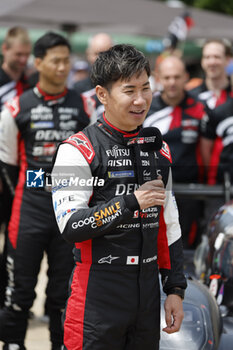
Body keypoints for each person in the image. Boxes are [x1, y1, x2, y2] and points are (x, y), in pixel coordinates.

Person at [52, 44, 187, 350]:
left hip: (147, 293)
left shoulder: (159, 148)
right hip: (97, 293)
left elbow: (170, 222)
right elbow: (70, 226)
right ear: (102, 94)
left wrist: (176, 288)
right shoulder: (77, 150)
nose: (141, 100)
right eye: (129, 90)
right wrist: (130, 202)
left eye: (146, 88)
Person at [0, 31, 89, 350]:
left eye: (68, 60)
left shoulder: (85, 104)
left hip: (71, 213)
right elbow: (6, 166)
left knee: (63, 294)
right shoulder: (14, 108)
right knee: (18, 290)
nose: (64, 67)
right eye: (57, 61)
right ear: (38, 63)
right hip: (28, 212)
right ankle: (12, 344)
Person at [144, 55, 205, 249]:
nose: (172, 82)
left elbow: (208, 152)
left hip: (189, 191)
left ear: (186, 77)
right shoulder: (144, 108)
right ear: (158, 77)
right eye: (167, 77)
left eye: (177, 77)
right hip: (153, 189)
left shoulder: (201, 109)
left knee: (184, 246)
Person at [0, 26, 31, 308]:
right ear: (5, 50)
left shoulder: (29, 85)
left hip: (17, 173)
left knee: (13, 238)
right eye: (18, 54)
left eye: (27, 54)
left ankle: (4, 297)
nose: (23, 59)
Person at [189, 39, 232, 185]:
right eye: (207, 57)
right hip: (195, 181)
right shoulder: (190, 97)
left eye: (217, 57)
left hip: (224, 179)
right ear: (202, 61)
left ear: (227, 60)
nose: (212, 62)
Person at [74, 32, 113, 122]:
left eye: (106, 53)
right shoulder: (78, 89)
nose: (101, 58)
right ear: (88, 54)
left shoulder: (122, 86)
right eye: (97, 54)